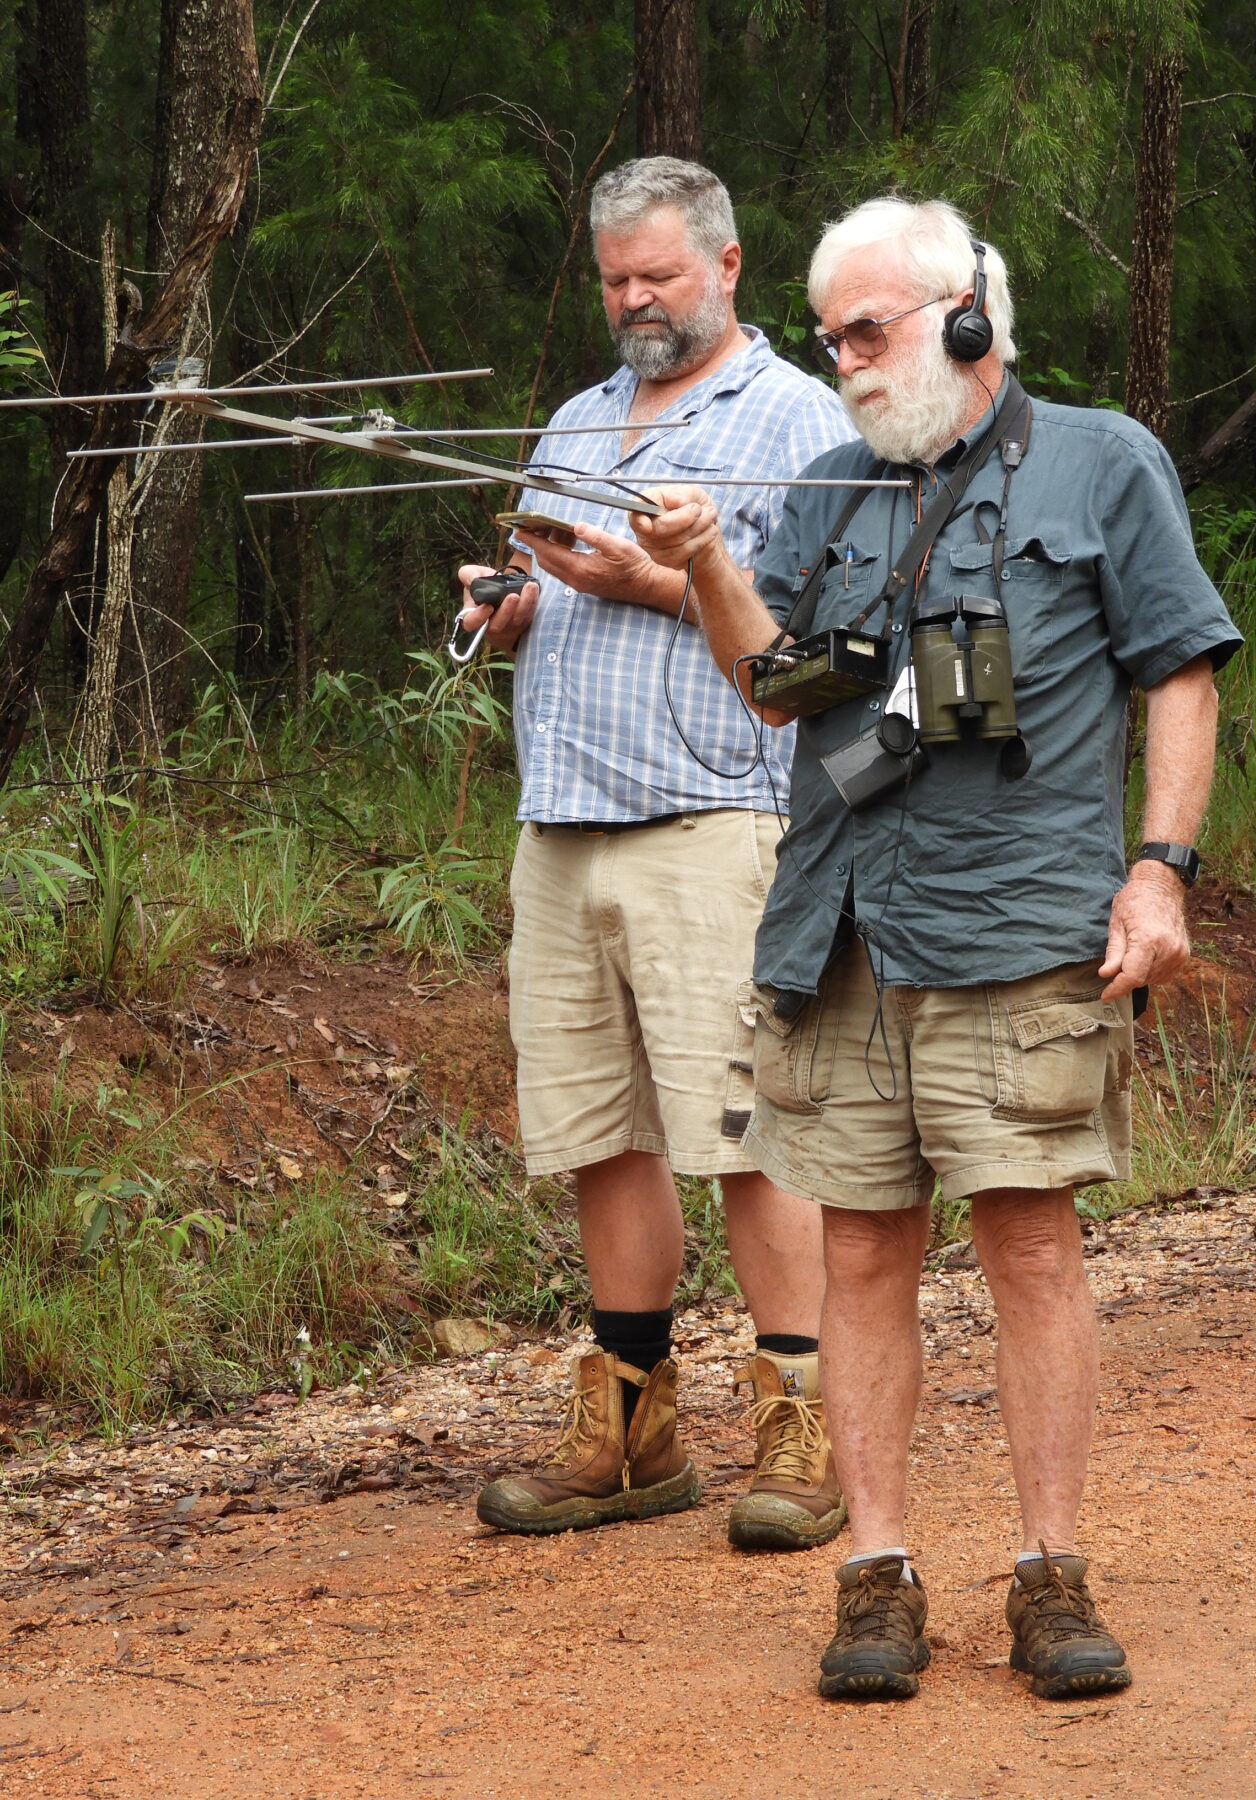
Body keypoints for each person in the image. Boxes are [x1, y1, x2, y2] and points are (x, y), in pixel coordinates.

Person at [632, 196, 1242, 1697]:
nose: (839, 360)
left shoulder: (1101, 460)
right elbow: (774, 687)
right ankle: (876, 1569)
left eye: (865, 330)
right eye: (828, 333)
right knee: (858, 1247)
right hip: (839, 925)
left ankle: (1048, 1571)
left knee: (1028, 1239)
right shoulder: (830, 486)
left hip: (1018, 921)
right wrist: (708, 558)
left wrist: (1157, 873)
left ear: (966, 316)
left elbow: (1178, 670)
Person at [457, 158, 856, 1549]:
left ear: (728, 266)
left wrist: (658, 579)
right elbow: (548, 579)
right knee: (598, 1132)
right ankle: (631, 1427)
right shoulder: (576, 417)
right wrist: (510, 605)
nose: (634, 300)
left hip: (714, 819)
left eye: (659, 278)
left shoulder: (799, 419)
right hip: (561, 822)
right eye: (617, 278)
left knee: (746, 1131)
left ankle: (808, 1426)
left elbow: (814, 652)